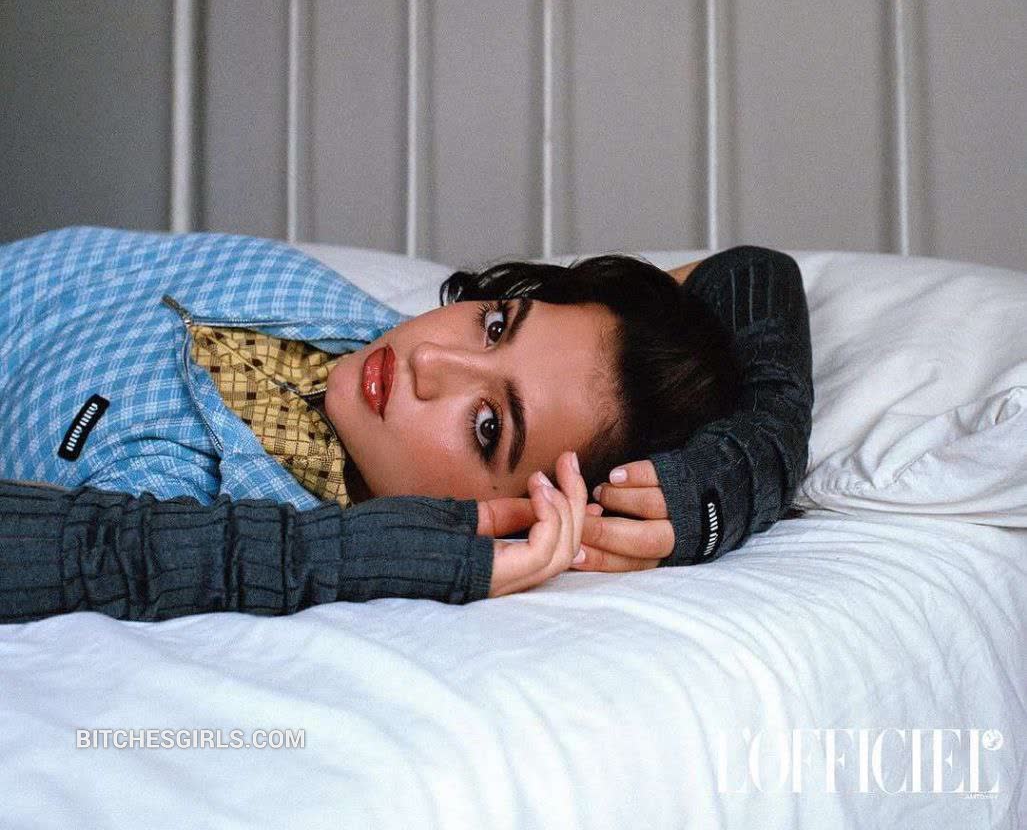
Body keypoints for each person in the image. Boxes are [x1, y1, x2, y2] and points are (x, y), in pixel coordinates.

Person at [0, 227, 813, 621]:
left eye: (487, 425)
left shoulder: (193, 506)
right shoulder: (362, 336)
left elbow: (86, 553)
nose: (430, 360)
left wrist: (393, 554)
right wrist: (756, 450)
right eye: (495, 325)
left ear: (526, 509)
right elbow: (744, 271)